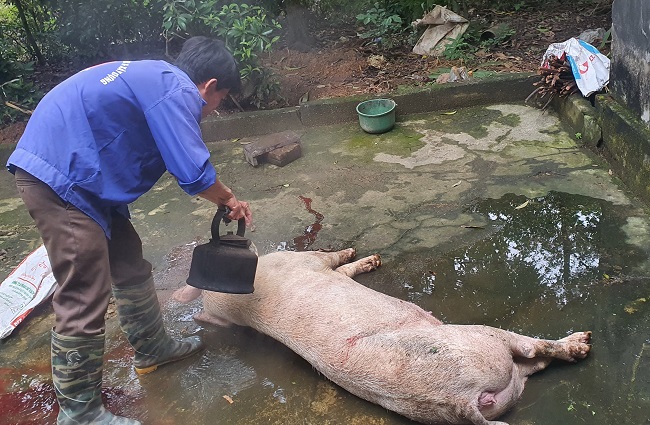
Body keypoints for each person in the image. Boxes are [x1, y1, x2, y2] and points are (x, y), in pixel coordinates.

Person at [6, 36, 252, 424]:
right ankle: (79, 414)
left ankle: (153, 348)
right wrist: (229, 199)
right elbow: (193, 171)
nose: (215, 108)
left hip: (85, 177)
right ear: (208, 86)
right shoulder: (175, 88)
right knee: (85, 288)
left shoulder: (153, 76)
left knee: (129, 265)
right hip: (60, 177)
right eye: (220, 99)